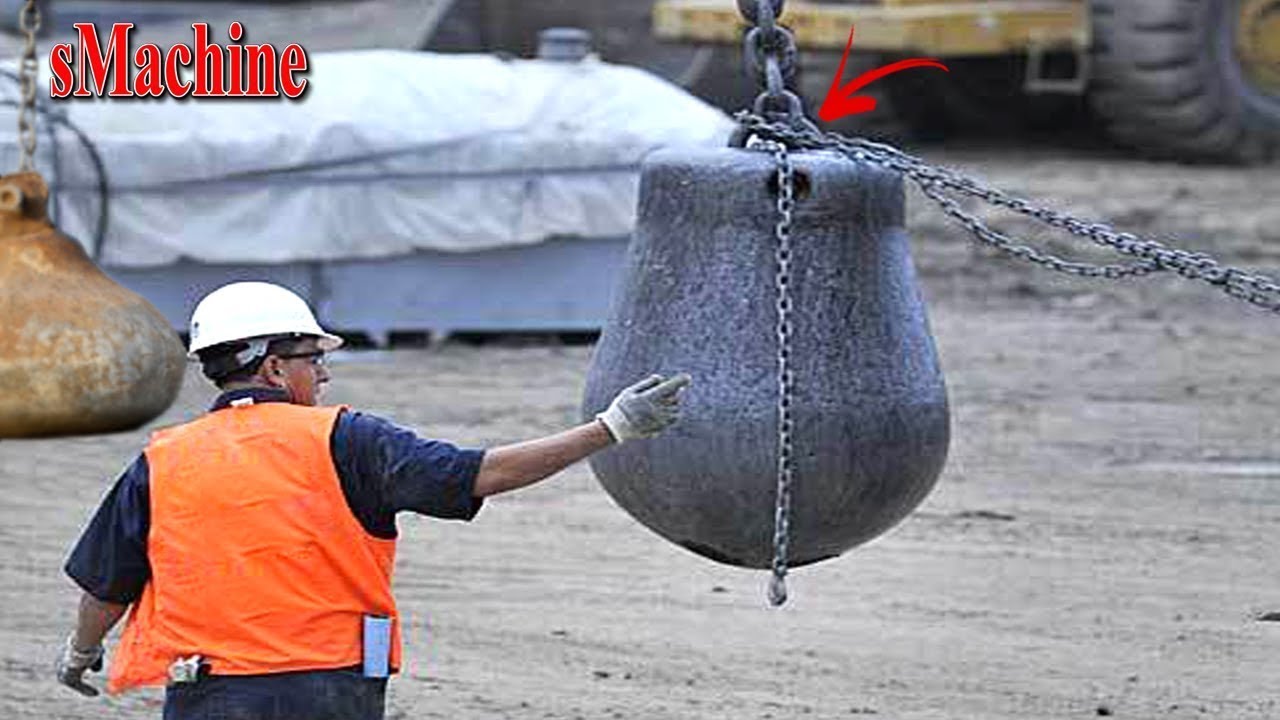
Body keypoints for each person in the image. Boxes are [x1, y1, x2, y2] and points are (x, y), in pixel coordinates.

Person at [55, 281, 690, 719]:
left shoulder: (162, 460)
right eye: (311, 359)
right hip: (329, 691)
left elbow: (107, 584)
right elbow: (484, 473)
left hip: (208, 693)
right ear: (275, 369)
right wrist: (612, 428)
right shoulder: (348, 439)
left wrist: (81, 654)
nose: (324, 373)